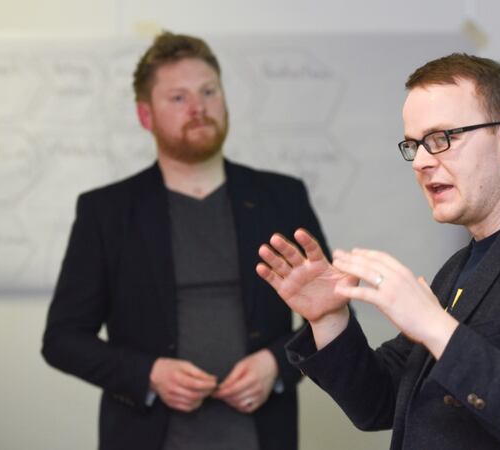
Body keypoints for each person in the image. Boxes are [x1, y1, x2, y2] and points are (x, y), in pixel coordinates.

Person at [256, 53, 500, 450]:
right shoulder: (462, 265)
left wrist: (435, 327)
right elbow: (378, 405)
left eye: (441, 139)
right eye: (414, 145)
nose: (422, 162)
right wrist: (329, 319)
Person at [42, 31, 328, 450]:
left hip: (262, 435)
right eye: (178, 98)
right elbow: (62, 340)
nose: (198, 108)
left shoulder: (281, 198)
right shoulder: (106, 212)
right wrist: (148, 374)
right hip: (147, 435)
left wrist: (278, 365)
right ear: (145, 116)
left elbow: (332, 312)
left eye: (209, 91)